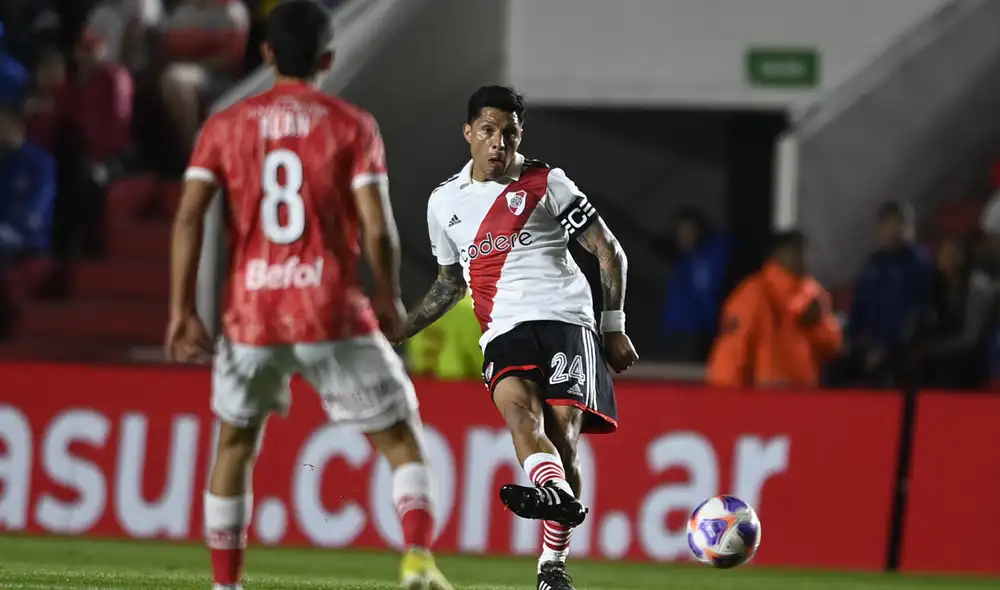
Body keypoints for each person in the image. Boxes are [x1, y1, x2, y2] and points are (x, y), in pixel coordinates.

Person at [164, 3, 451, 590]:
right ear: (328, 57)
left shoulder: (225, 124)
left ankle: (226, 586)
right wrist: (389, 298)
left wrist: (182, 310)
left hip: (252, 312)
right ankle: (417, 559)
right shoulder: (351, 125)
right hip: (329, 308)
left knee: (235, 444)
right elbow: (377, 227)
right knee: (400, 438)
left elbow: (190, 215)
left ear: (266, 54)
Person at [397, 85, 638, 590]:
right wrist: (399, 329)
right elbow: (448, 283)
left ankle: (551, 565)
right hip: (503, 327)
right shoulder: (444, 203)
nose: (497, 143)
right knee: (519, 415)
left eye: (508, 133)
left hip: (566, 319)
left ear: (519, 135)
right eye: (487, 131)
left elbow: (608, 251)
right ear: (468, 132)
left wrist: (614, 325)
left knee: (564, 440)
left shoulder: (547, 182)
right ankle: (554, 504)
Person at [706, 230, 842, 388]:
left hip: (806, 395)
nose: (803, 258)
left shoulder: (814, 293)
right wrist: (725, 399)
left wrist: (817, 325)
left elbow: (832, 349)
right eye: (796, 251)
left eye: (806, 252)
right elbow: (732, 351)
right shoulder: (753, 294)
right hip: (766, 397)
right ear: (778, 254)